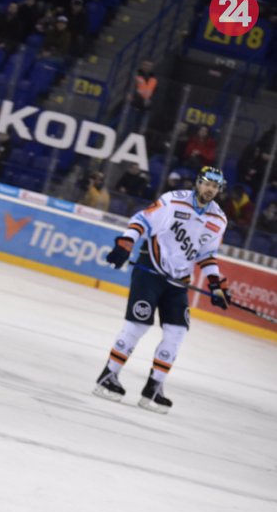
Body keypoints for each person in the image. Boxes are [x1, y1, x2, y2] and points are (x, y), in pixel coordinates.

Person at [94, 166, 231, 414]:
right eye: (207, 183)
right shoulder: (173, 201)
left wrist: (215, 284)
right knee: (137, 326)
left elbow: (207, 255)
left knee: (177, 332)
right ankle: (108, 376)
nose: (210, 189)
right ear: (198, 183)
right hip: (151, 272)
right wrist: (126, 243)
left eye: (215, 186)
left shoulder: (219, 219)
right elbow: (141, 220)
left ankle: (153, 388)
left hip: (179, 282)